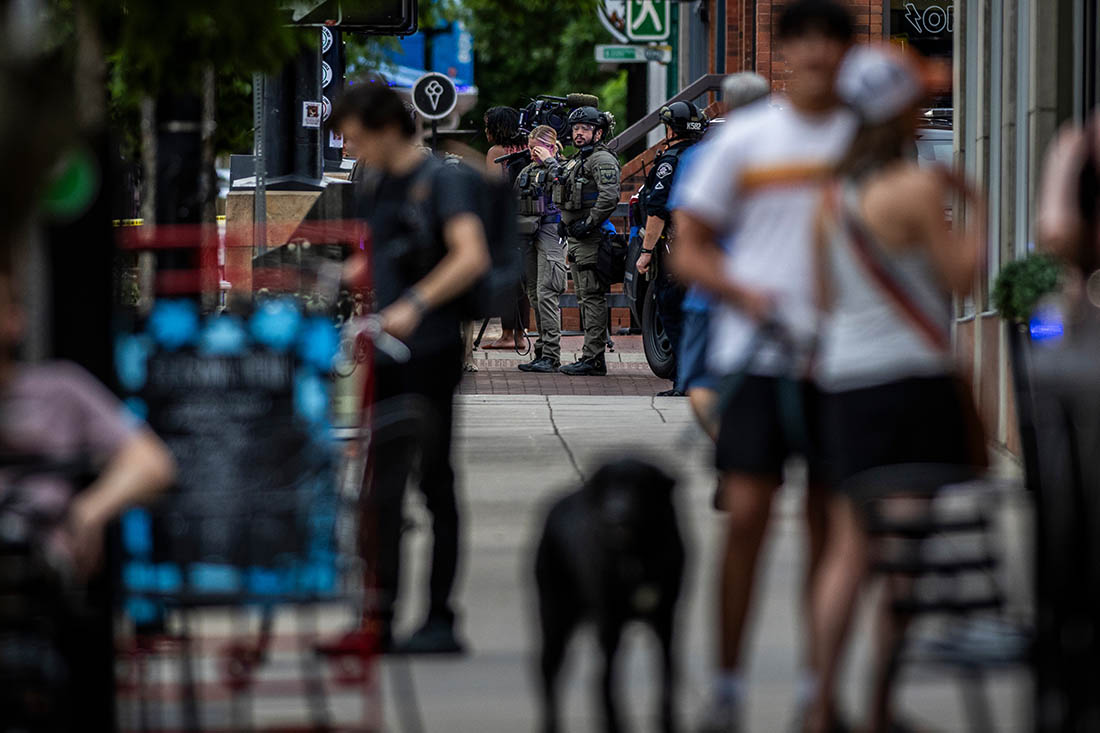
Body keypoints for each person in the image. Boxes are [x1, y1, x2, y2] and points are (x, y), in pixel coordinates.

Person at [670, 2, 858, 729]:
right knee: (746, 515)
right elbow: (690, 248)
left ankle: (819, 688)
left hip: (841, 359)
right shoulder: (745, 140)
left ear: (843, 52)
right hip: (754, 354)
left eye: (830, 42)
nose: (816, 55)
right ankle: (725, 683)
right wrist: (744, 291)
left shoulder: (866, 142)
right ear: (783, 53)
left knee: (826, 523)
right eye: (802, 41)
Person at [805, 46, 984, 733]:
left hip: (847, 383)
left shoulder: (830, 200)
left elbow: (823, 300)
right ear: (901, 113)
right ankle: (879, 706)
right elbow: (963, 279)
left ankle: (820, 705)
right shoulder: (915, 191)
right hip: (910, 381)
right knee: (904, 555)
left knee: (849, 551)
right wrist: (975, 206)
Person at [332, 83, 491, 654]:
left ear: (383, 128)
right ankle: (378, 617)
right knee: (381, 484)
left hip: (429, 347)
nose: (351, 151)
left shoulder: (441, 180)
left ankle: (440, 618)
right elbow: (376, 256)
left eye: (353, 138)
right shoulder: (375, 184)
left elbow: (470, 255)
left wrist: (416, 305)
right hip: (387, 347)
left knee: (433, 479)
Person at [0, 265, 177, 727]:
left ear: (15, 318)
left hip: (41, 572)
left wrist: (89, 510)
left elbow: (152, 463)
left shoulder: (57, 389)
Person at [674, 73, 771, 439]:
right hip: (769, 294)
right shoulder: (786, 152)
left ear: (727, 105)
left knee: (701, 381)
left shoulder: (703, 154)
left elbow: (687, 232)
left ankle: (727, 444)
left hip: (710, 293)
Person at [635, 101, 708, 396]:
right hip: (706, 248)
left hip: (674, 249)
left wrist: (646, 251)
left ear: (670, 129)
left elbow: (657, 209)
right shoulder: (707, 156)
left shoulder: (671, 160)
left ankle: (684, 380)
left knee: (672, 310)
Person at [553, 105, 622, 376]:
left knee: (592, 297)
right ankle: (590, 355)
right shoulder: (579, 158)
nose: (579, 133)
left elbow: (609, 197)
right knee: (584, 297)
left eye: (585, 129)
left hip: (592, 238)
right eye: (576, 129)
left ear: (598, 132)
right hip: (578, 237)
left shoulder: (600, 159)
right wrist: (566, 222)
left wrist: (588, 223)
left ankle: (593, 359)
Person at [515, 125, 568, 373]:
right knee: (534, 294)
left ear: (550, 146)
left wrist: (550, 162)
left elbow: (566, 187)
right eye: (530, 147)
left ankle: (552, 354)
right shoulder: (527, 171)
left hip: (551, 230)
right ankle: (542, 350)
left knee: (547, 293)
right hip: (528, 235)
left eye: (538, 147)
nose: (533, 152)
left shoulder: (562, 167)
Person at [483, 105, 529, 351]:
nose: (485, 130)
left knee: (507, 278)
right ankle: (521, 335)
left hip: (507, 222)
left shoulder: (496, 152)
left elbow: (493, 190)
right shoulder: (528, 148)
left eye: (488, 125)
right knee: (525, 281)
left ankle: (507, 334)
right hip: (532, 218)